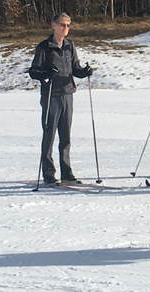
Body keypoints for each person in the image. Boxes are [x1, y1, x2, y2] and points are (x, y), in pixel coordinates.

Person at [28, 13, 93, 185]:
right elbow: (34, 71)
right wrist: (46, 74)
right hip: (51, 95)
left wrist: (84, 72)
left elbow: (75, 69)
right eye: (62, 25)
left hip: (67, 94)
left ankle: (66, 172)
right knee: (49, 134)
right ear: (54, 25)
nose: (65, 28)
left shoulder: (69, 46)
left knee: (66, 136)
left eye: (68, 25)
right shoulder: (44, 47)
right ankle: (48, 173)